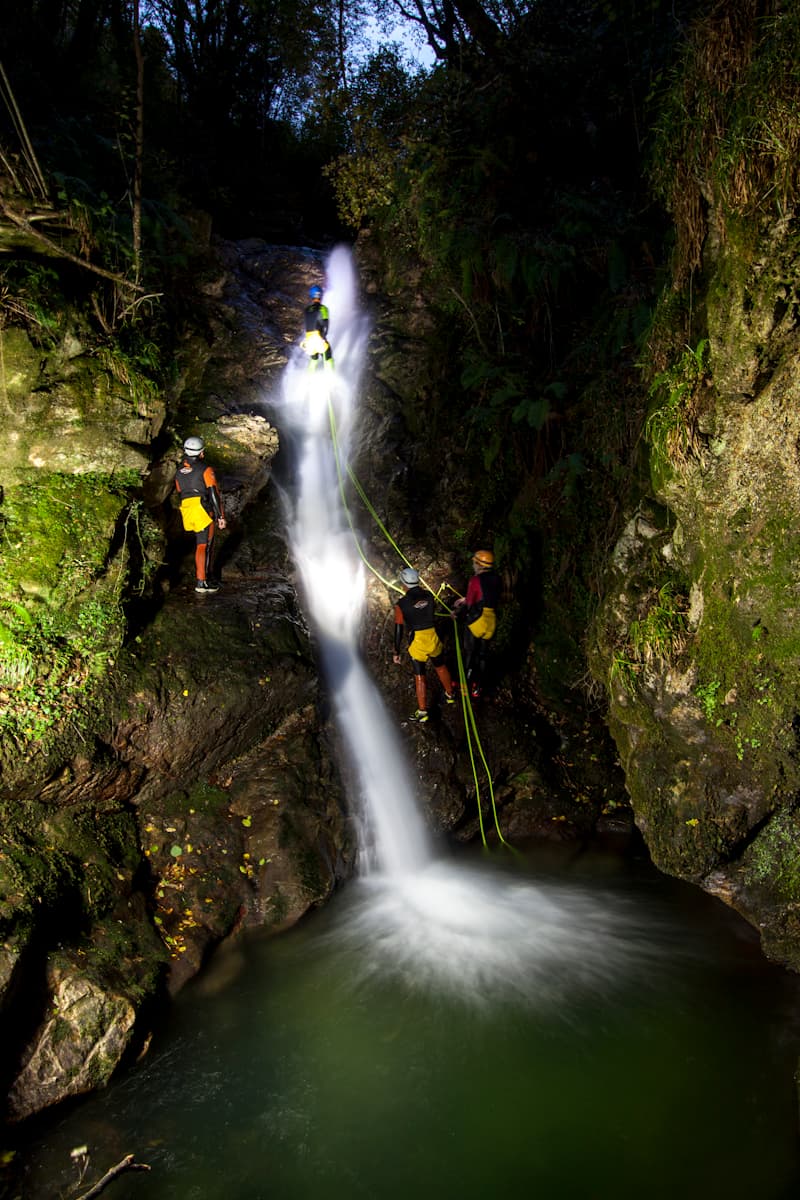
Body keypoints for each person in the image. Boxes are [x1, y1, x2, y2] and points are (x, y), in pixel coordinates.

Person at [393, 566, 457, 722]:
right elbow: (426, 612)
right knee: (440, 666)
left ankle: (422, 712)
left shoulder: (400, 604)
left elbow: (398, 630)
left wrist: (396, 652)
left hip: (418, 641)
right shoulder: (429, 596)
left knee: (419, 675)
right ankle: (450, 694)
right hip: (432, 636)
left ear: (404, 584)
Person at [174, 436, 226, 593]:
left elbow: (179, 490)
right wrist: (220, 517)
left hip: (187, 508)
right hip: (202, 508)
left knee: (201, 542)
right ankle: (202, 582)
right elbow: (213, 493)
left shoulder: (178, 471)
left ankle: (203, 579)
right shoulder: (206, 469)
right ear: (201, 453)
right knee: (205, 544)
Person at [453, 549, 501, 698]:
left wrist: (456, 613)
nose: (473, 564)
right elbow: (484, 596)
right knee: (483, 655)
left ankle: (465, 686)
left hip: (477, 621)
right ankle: (478, 687)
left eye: (474, 562)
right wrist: (465, 599)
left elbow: (470, 604)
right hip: (491, 620)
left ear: (479, 564)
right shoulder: (497, 578)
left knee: (469, 653)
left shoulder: (475, 580)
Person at [301, 284, 333, 370]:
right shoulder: (323, 309)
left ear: (311, 295)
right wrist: (323, 338)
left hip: (308, 341)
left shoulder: (306, 310)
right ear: (321, 295)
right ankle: (332, 381)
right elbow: (325, 327)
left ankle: (308, 381)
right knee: (328, 357)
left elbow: (308, 325)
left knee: (314, 360)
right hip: (318, 338)